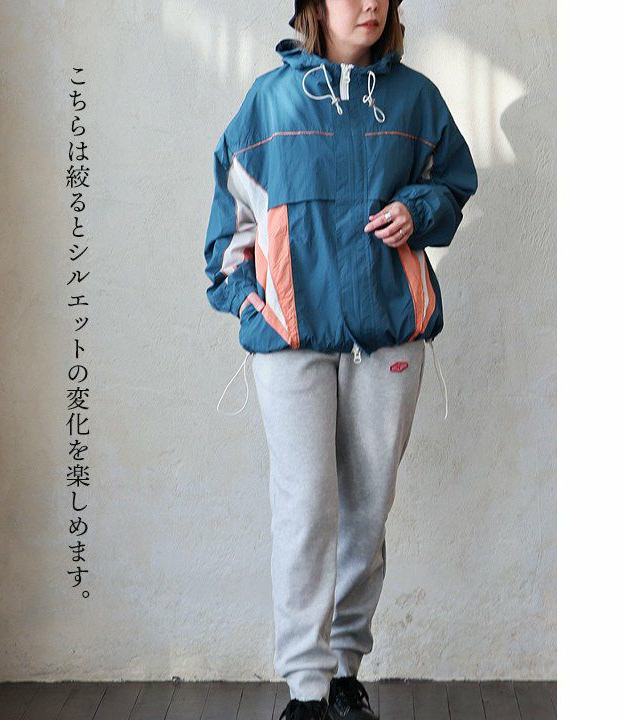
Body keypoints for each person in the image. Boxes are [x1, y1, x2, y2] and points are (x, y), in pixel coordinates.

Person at [203, 1, 478, 718]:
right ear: (314, 8)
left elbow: (454, 184)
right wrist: (250, 304)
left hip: (388, 333)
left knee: (366, 508)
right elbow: (231, 221)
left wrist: (419, 210)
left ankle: (344, 670)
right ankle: (305, 686)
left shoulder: (416, 99)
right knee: (305, 507)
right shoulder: (270, 101)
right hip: (291, 341)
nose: (370, 4)